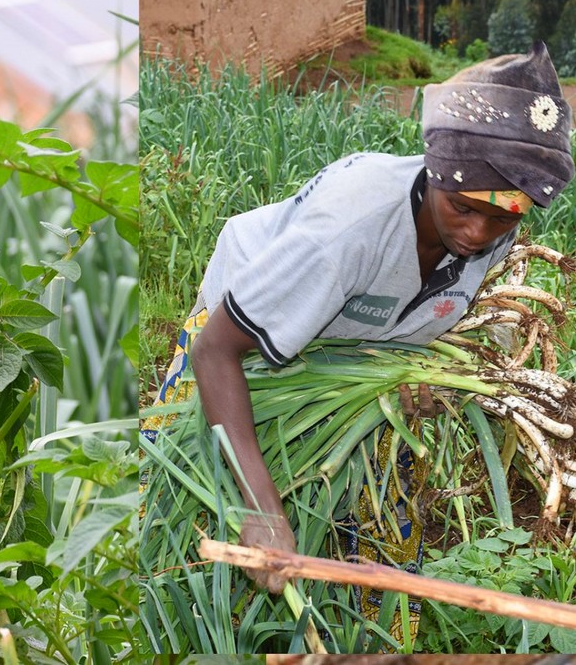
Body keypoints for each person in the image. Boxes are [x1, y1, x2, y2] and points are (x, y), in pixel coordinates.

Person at [141, 40, 574, 614]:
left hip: (346, 351)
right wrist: (259, 506)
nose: (477, 233)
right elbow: (216, 352)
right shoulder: (347, 232)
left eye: (500, 217)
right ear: (435, 173)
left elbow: (437, 301)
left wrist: (420, 373)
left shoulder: (496, 231)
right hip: (239, 330)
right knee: (195, 493)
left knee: (364, 510)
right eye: (464, 208)